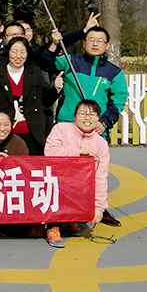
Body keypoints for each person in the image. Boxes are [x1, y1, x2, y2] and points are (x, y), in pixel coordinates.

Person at [44, 100, 114, 246]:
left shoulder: (101, 144)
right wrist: (78, 154)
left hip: (81, 188)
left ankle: (74, 221)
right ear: (75, 116)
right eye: (82, 113)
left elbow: (101, 178)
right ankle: (53, 227)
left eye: (92, 114)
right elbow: (50, 152)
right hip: (57, 182)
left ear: (98, 118)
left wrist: (99, 208)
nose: (87, 118)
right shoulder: (60, 129)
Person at [48, 26, 127, 149]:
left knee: (94, 160)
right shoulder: (70, 61)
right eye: (91, 40)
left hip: (95, 128)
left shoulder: (114, 72)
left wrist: (105, 122)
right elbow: (46, 61)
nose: (95, 44)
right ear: (84, 43)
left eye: (100, 41)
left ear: (107, 45)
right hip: (67, 124)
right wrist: (55, 43)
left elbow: (118, 102)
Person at [0, 37, 61, 154]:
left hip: (33, 132)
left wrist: (55, 88)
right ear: (8, 52)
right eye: (14, 51)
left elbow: (46, 101)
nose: (18, 56)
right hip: (4, 133)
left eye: (22, 52)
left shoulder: (35, 73)